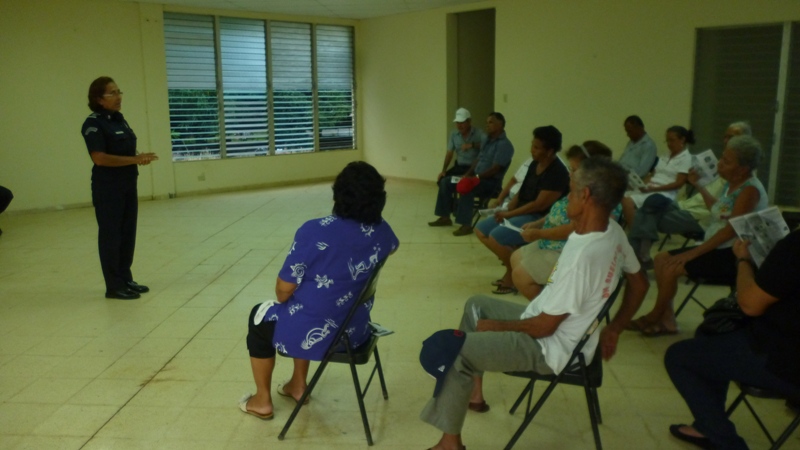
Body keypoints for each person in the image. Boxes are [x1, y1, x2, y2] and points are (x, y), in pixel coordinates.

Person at [419, 158, 649, 450]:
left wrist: (497, 327)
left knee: (455, 351)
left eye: (570, 190)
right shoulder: (612, 230)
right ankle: (473, 393)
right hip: (557, 328)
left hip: (550, 348)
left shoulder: (582, 260)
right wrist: (615, 328)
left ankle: (450, 444)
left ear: (585, 196)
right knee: (476, 305)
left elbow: (543, 328)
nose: (566, 197)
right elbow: (640, 282)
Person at [240, 161, 399, 421]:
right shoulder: (382, 231)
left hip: (319, 332)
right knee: (304, 304)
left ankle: (262, 401)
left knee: (260, 316)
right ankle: (297, 385)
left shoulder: (314, 231)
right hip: (354, 329)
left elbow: (282, 291)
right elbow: (392, 247)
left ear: (338, 195)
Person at [664, 232, 800, 450]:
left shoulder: (795, 245)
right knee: (712, 332)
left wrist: (743, 260)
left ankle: (725, 441)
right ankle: (706, 427)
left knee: (679, 357)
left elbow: (749, 304)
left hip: (785, 362)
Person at [628, 135, 769, 336]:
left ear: (742, 169)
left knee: (670, 266)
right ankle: (666, 320)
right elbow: (718, 210)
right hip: (716, 246)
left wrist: (693, 253)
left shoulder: (750, 190)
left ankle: (657, 316)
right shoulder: (731, 183)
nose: (720, 164)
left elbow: (730, 230)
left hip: (734, 255)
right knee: (661, 259)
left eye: (727, 161)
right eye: (722, 157)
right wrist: (699, 185)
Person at [81, 77, 158, 300]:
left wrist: (138, 158)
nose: (118, 97)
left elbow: (124, 152)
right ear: (99, 99)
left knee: (127, 234)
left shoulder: (119, 120)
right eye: (112, 93)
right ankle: (113, 286)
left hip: (128, 185)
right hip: (108, 189)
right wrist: (135, 159)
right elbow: (99, 158)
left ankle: (125, 278)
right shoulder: (93, 124)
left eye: (119, 92)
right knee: (111, 236)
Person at [509, 141, 615, 300]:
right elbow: (558, 211)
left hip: (569, 250)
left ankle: (547, 310)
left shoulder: (596, 198)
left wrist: (539, 233)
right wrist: (538, 224)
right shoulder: (578, 188)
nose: (570, 174)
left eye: (574, 170)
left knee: (521, 275)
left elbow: (574, 229)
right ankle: (548, 298)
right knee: (516, 257)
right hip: (553, 241)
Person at [474, 126, 569, 294]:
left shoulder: (558, 173)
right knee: (481, 229)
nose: (532, 150)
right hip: (521, 211)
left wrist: (509, 214)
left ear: (549, 151)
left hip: (537, 217)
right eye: (532, 145)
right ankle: (513, 266)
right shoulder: (535, 163)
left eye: (537, 147)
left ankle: (512, 275)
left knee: (496, 237)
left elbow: (538, 205)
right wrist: (508, 207)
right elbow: (524, 189)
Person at [653, 122, 752, 241]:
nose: (725, 141)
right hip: (689, 203)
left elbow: (721, 210)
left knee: (651, 219)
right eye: (725, 137)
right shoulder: (722, 163)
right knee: (651, 204)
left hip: (702, 214)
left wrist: (698, 185)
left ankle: (641, 249)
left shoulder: (743, 177)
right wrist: (697, 180)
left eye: (731, 137)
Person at [429, 112, 514, 236]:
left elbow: (495, 169)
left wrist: (475, 178)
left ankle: (466, 225)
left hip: (490, 182)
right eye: (487, 122)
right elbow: (477, 160)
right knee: (446, 181)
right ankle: (444, 217)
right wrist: (467, 175)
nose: (487, 125)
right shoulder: (487, 140)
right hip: (476, 177)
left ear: (500, 124)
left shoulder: (504, 145)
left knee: (467, 186)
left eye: (491, 122)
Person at [622, 126, 694, 261]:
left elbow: (679, 183)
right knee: (624, 196)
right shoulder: (665, 154)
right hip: (651, 188)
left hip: (665, 193)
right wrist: (640, 184)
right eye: (667, 140)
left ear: (682, 140)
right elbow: (654, 174)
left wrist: (653, 189)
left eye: (672, 140)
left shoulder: (687, 158)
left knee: (630, 202)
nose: (669, 144)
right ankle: (636, 235)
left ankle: (635, 237)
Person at [436, 108, 486, 181]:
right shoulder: (454, 134)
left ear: (469, 122)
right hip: (459, 167)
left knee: (466, 182)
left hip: (474, 168)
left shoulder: (479, 133)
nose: (459, 126)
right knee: (442, 179)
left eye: (462, 122)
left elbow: (488, 145)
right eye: (457, 123)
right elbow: (449, 153)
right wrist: (444, 170)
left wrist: (472, 145)